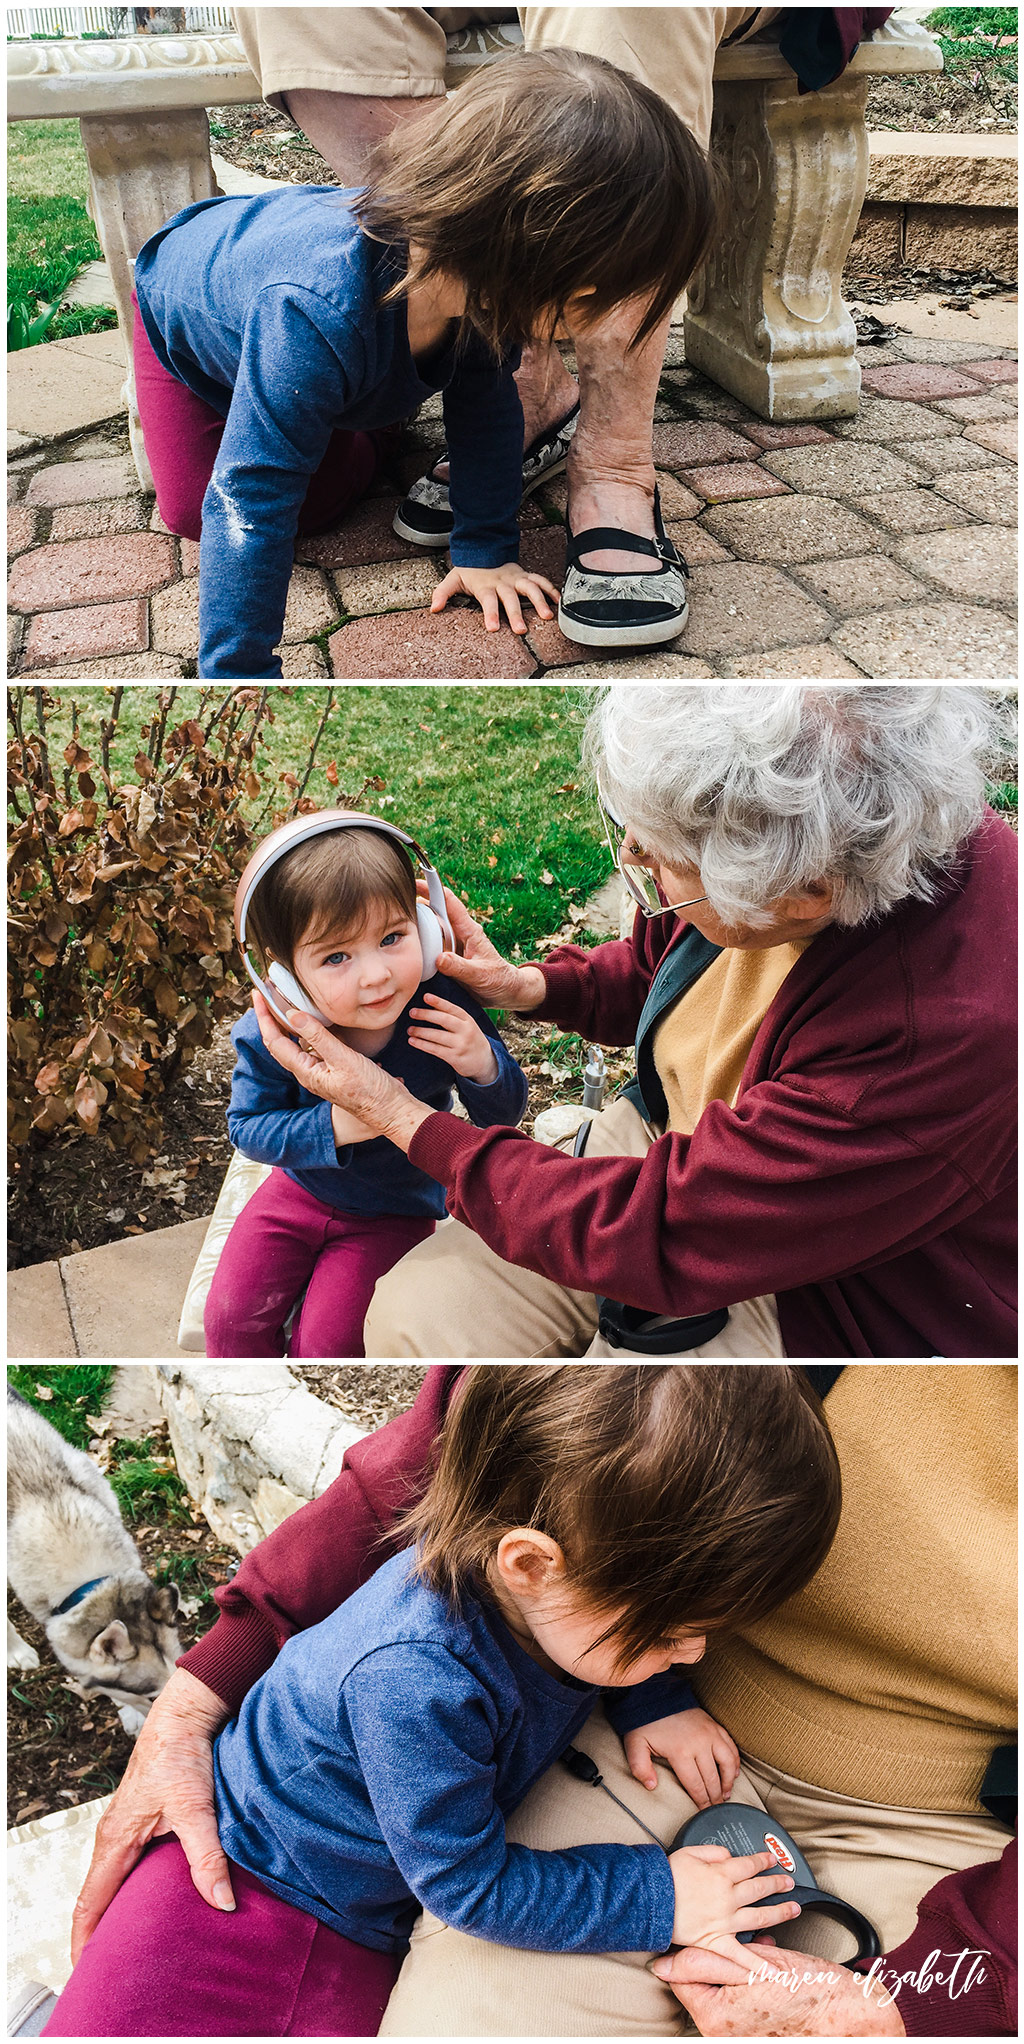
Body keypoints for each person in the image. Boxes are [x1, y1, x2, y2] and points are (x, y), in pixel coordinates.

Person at [67, 1364, 1016, 2039]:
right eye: (668, 1639)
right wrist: (659, 1896)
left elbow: (598, 1633)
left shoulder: (550, 1582)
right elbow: (470, 1886)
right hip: (295, 1907)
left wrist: (653, 1698)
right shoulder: (414, 1684)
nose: (689, 1655)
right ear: (528, 1563)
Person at [250, 682, 1017, 1362]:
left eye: (665, 858)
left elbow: (671, 1228)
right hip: (688, 1162)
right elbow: (671, 960)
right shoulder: (831, 824)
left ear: (805, 895)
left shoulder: (936, 1031)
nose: (634, 852)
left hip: (823, 1281)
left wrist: (396, 1115)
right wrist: (529, 988)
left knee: (617, 1443)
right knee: (417, 1319)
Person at [231, 6, 893, 650]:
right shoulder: (296, 303)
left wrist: (482, 548)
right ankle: (524, 387)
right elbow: (248, 493)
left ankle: (615, 459)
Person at [130, 46, 715, 677]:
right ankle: (355, 419)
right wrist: (238, 673)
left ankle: (352, 410)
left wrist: (484, 551)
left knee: (336, 415)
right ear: (557, 279)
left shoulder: (482, 278)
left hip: (309, 323)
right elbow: (247, 498)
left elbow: (487, 410)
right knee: (212, 504)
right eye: (619, 295)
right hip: (185, 312)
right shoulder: (310, 314)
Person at [204, 814, 526, 1357]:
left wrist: (481, 1063)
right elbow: (247, 1128)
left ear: (427, 932)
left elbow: (504, 1114)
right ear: (285, 978)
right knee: (230, 1322)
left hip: (395, 1215)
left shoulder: (440, 1004)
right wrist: (335, 1125)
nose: (375, 974)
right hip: (298, 1194)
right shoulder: (277, 1032)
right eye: (336, 957)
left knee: (330, 1343)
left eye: (393, 937)